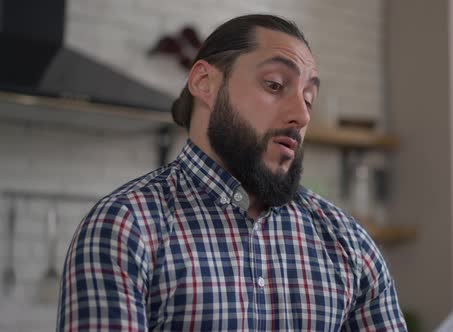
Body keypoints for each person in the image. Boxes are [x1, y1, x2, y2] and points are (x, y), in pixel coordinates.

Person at [57, 14, 407, 331]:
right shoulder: (124, 228)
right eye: (274, 84)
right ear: (205, 82)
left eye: (309, 98)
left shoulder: (350, 244)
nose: (301, 116)